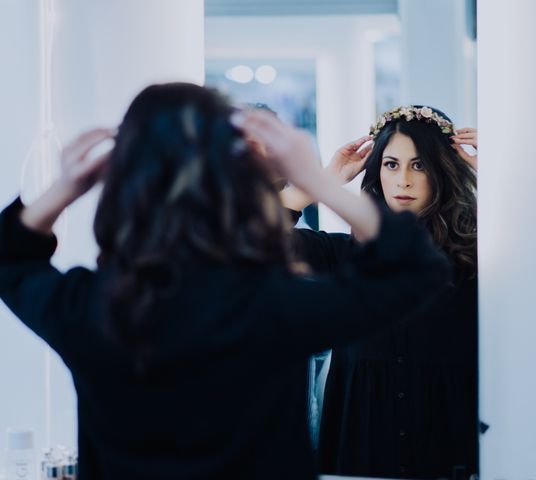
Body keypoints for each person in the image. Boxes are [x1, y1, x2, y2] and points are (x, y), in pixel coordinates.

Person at [0, 84, 451, 480]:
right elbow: (415, 269)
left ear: (120, 184)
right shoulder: (276, 306)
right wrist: (315, 178)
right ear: (233, 189)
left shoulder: (90, 310)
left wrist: (64, 187)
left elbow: (9, 259)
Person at [280, 105, 479, 479]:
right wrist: (320, 183)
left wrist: (492, 174)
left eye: (419, 165)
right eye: (391, 164)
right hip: (360, 440)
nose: (403, 180)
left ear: (442, 171)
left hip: (446, 443)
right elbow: (247, 239)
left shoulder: (477, 257)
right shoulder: (345, 256)